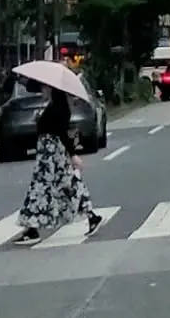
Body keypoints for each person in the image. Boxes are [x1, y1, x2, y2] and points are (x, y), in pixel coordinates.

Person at [13, 89, 104, 246]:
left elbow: (62, 132)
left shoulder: (59, 108)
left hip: (50, 154)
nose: (42, 89)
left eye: (44, 87)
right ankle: (92, 217)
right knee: (67, 185)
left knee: (41, 188)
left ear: (52, 89)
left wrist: (73, 154)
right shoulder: (55, 106)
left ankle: (32, 230)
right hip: (50, 152)